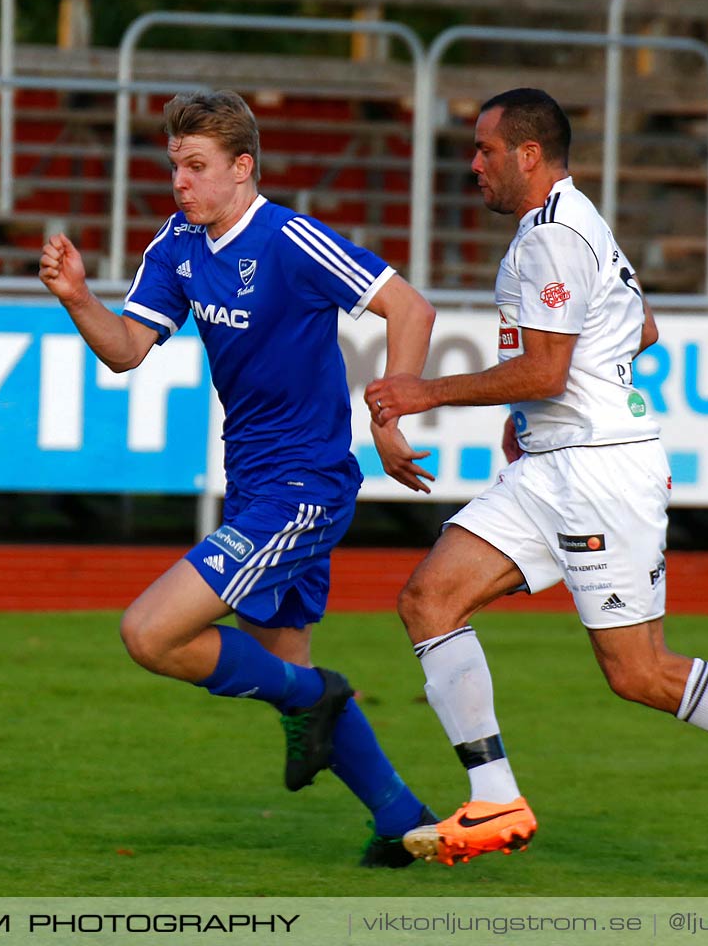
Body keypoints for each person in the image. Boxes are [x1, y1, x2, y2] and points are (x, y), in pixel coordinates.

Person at [365, 88, 708, 873]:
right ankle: (497, 797)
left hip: (601, 473)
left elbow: (547, 364)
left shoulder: (554, 238)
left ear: (529, 155)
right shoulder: (571, 222)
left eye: (486, 150)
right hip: (557, 462)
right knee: (427, 601)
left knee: (639, 673)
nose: (473, 164)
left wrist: (427, 391)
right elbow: (637, 327)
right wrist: (549, 407)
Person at [39, 88, 442, 866]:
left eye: (196, 167)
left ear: (243, 169)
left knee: (150, 633)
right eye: (174, 167)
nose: (180, 183)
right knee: (288, 670)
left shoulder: (291, 239)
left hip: (306, 488)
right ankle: (399, 818)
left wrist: (388, 419)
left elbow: (410, 309)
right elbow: (126, 349)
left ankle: (315, 701)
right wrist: (79, 299)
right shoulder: (178, 247)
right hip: (254, 487)